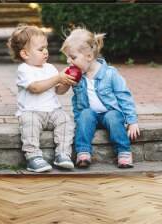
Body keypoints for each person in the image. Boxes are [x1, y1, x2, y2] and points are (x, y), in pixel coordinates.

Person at [60, 27, 140, 168]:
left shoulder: (110, 74)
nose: (68, 61)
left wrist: (132, 121)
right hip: (89, 114)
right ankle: (83, 152)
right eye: (68, 57)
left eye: (72, 57)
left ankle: (123, 151)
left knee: (113, 118)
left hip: (110, 112)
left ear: (89, 57)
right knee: (85, 115)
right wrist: (64, 80)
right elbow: (59, 91)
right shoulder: (76, 75)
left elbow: (124, 97)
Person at [7, 25, 76, 172]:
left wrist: (67, 82)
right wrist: (58, 77)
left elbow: (59, 90)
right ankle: (33, 157)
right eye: (40, 49)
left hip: (52, 111)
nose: (45, 51)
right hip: (31, 111)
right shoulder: (24, 69)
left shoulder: (49, 67)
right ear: (25, 54)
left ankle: (63, 154)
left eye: (46, 47)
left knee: (65, 120)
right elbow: (35, 88)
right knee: (29, 123)